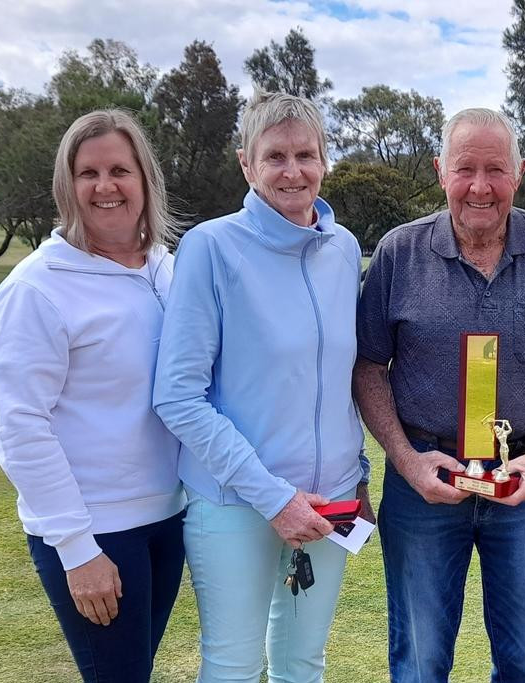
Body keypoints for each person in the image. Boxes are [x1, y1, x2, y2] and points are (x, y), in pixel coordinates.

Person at [353, 107, 525, 683]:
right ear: (440, 172)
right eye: (465, 169)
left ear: (520, 173)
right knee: (422, 660)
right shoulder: (397, 253)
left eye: (496, 170)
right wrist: (405, 462)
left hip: (523, 482)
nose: (480, 187)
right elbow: (367, 368)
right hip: (424, 482)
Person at [152, 90, 370, 683]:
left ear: (325, 160)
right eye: (275, 156)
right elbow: (177, 395)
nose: (292, 171)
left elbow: (339, 378)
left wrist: (358, 474)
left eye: (306, 154)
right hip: (235, 503)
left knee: (304, 663)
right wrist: (273, 497)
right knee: (233, 666)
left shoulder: (344, 248)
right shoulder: (211, 248)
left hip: (330, 501)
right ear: (247, 163)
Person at [0, 109, 185, 682]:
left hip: (168, 517)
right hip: (95, 531)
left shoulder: (169, 270)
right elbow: (21, 428)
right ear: (65, 186)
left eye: (120, 169)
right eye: (87, 172)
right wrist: (76, 548)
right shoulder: (35, 289)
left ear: (145, 180)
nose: (105, 186)